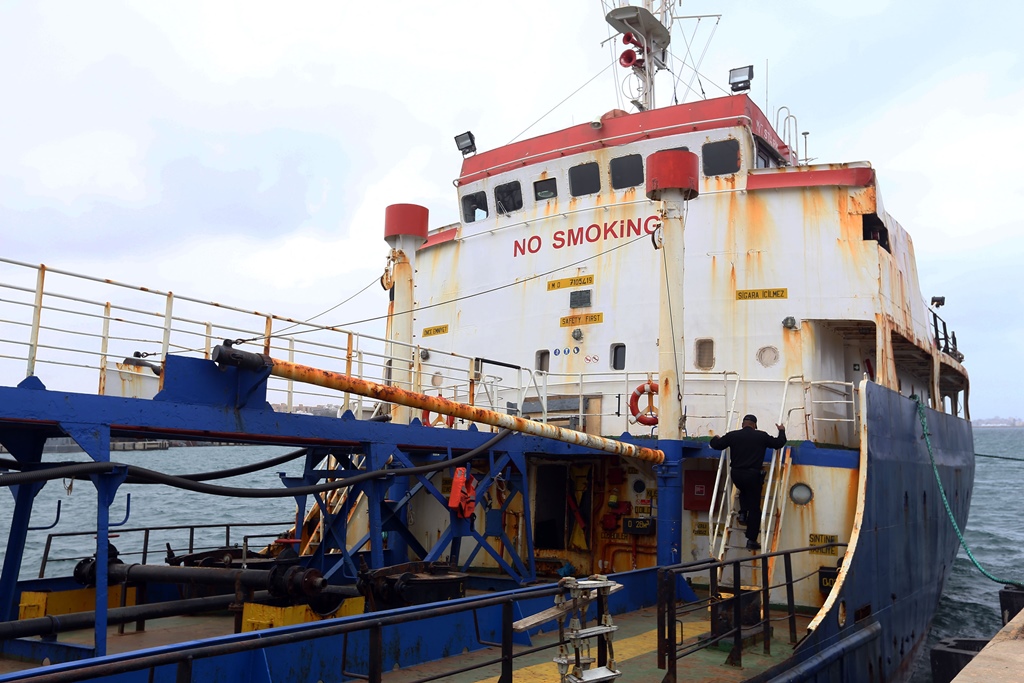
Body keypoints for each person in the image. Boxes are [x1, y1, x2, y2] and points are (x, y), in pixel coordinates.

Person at [709, 414, 786, 550]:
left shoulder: (733, 435)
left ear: (743, 424)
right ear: (754, 425)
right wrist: (781, 430)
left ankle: (743, 514)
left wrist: (716, 437)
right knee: (755, 508)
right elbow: (779, 443)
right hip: (753, 474)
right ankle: (751, 539)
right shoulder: (761, 436)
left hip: (736, 474)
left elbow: (716, 445)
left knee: (743, 490)